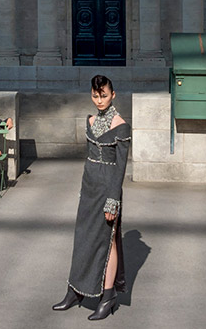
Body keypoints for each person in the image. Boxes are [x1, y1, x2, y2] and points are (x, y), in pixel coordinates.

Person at [53, 75, 130, 320]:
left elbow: (120, 168)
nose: (99, 100)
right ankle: (75, 290)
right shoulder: (89, 121)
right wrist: (83, 188)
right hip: (89, 186)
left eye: (104, 95)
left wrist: (113, 199)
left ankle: (107, 297)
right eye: (95, 95)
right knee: (83, 237)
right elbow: (89, 159)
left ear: (113, 94)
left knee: (108, 240)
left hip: (108, 187)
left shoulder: (120, 125)